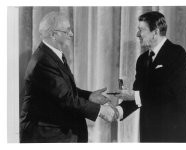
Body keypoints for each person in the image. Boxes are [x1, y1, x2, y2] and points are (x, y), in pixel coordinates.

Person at [20, 11, 118, 143]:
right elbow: (66, 98)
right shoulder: (43, 61)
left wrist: (89, 96)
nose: (71, 34)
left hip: (55, 131)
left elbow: (62, 90)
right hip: (47, 135)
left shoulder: (50, 54)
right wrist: (101, 110)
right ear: (53, 34)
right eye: (67, 31)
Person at [115, 11, 186, 142]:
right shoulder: (142, 59)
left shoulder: (177, 53)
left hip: (173, 135)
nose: (137, 34)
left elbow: (172, 92)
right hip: (148, 134)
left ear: (155, 32)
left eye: (141, 30)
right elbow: (137, 93)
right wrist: (117, 111)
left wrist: (135, 95)